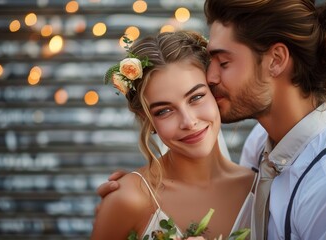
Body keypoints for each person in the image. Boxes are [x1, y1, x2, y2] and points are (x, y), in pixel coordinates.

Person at [96, 0, 326, 239]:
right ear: (146, 119)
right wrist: (131, 193)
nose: (212, 76)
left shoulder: (323, 184)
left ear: (276, 59)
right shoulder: (260, 144)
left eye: (224, 62)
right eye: (163, 111)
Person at [90, 31, 256, 240]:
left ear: (216, 93)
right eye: (164, 111)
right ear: (147, 119)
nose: (188, 121)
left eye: (196, 97)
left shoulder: (260, 190)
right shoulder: (128, 199)